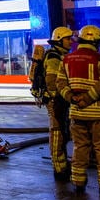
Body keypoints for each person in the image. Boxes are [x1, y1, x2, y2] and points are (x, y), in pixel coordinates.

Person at [56, 24, 100, 198]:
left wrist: (73, 98)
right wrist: (87, 98)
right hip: (98, 114)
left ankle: (78, 182)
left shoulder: (66, 59)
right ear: (94, 41)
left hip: (76, 113)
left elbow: (60, 84)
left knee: (80, 147)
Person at [43, 27, 74, 182]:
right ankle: (59, 168)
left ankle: (63, 164)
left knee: (63, 132)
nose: (71, 41)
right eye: (68, 39)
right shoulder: (53, 56)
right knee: (57, 133)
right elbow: (51, 81)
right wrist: (58, 99)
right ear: (59, 39)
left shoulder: (62, 55)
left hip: (62, 101)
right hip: (56, 101)